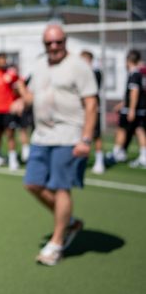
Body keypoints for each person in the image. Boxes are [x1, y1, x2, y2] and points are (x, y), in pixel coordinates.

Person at [14, 24, 97, 266]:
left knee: (61, 188)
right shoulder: (40, 65)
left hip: (69, 135)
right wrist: (21, 100)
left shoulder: (79, 67)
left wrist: (86, 138)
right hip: (41, 135)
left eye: (58, 42)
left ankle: (57, 242)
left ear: (65, 41)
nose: (54, 47)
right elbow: (33, 96)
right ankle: (70, 222)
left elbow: (91, 104)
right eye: (49, 43)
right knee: (32, 184)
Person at [108, 50, 146, 168]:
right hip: (138, 109)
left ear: (128, 61)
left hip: (133, 109)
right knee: (138, 131)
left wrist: (131, 109)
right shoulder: (139, 74)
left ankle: (117, 152)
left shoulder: (134, 74)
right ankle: (138, 155)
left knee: (122, 130)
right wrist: (122, 104)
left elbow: (134, 93)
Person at [80, 50, 105, 174]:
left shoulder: (95, 73)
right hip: (80, 110)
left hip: (93, 109)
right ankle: (81, 160)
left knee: (96, 135)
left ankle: (100, 161)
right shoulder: (80, 73)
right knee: (81, 135)